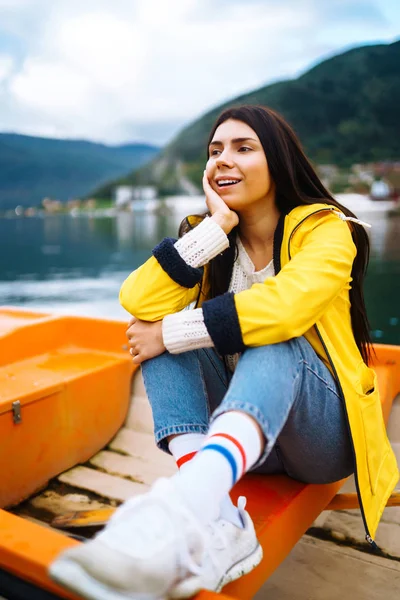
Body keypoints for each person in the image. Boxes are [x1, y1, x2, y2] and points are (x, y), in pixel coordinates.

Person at [49, 105, 399, 600]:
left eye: (242, 148)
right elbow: (137, 303)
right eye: (214, 151)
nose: (222, 161)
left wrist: (171, 332)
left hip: (319, 442)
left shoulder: (327, 229)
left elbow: (283, 311)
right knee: (157, 332)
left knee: (268, 336)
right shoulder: (210, 235)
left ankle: (189, 503)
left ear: (278, 161)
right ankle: (215, 513)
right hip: (241, 440)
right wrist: (213, 231)